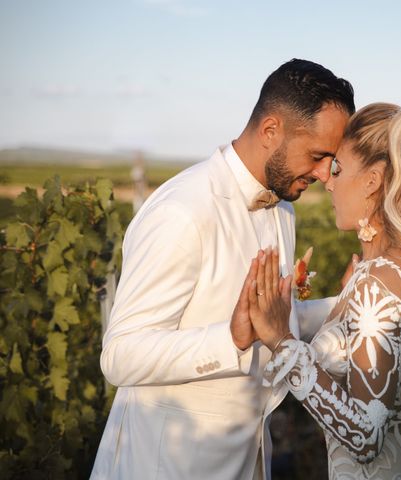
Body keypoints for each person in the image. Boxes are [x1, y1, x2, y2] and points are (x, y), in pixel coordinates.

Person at [90, 59, 355, 480]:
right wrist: (228, 339)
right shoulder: (183, 211)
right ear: (271, 131)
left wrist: (348, 302)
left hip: (249, 463)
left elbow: (269, 322)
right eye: (318, 156)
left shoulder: (282, 206)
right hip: (165, 467)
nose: (326, 175)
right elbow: (120, 356)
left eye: (332, 160)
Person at [246, 102, 401, 479]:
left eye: (338, 169)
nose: (329, 182)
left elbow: (365, 435)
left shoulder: (378, 281)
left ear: (373, 179)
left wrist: (282, 341)